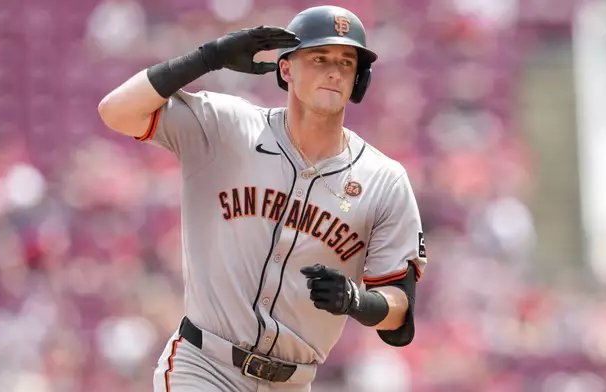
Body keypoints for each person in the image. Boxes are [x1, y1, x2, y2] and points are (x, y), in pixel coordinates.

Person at [97, 5, 428, 392]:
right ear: (286, 69)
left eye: (346, 61)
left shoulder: (383, 179)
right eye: (319, 58)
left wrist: (356, 300)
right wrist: (211, 56)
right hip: (205, 366)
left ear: (359, 79)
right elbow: (116, 111)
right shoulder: (228, 126)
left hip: (293, 381)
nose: (334, 71)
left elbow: (398, 309)